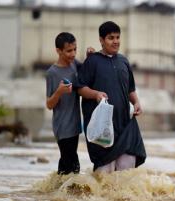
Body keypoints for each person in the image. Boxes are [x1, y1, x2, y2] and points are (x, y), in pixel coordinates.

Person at [76, 21, 146, 173]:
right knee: (104, 177)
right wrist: (95, 94)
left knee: (126, 175)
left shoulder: (124, 61)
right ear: (101, 40)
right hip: (102, 128)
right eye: (110, 38)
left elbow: (130, 89)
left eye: (117, 37)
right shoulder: (92, 61)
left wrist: (136, 102)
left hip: (124, 126)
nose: (115, 41)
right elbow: (80, 88)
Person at [45, 32, 83, 175]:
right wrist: (59, 92)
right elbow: (49, 104)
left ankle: (55, 193)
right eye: (68, 51)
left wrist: (90, 55)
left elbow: (88, 68)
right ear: (58, 51)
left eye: (75, 49)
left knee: (66, 165)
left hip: (75, 125)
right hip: (62, 127)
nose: (73, 54)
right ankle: (66, 194)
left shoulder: (74, 64)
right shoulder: (52, 73)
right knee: (73, 166)